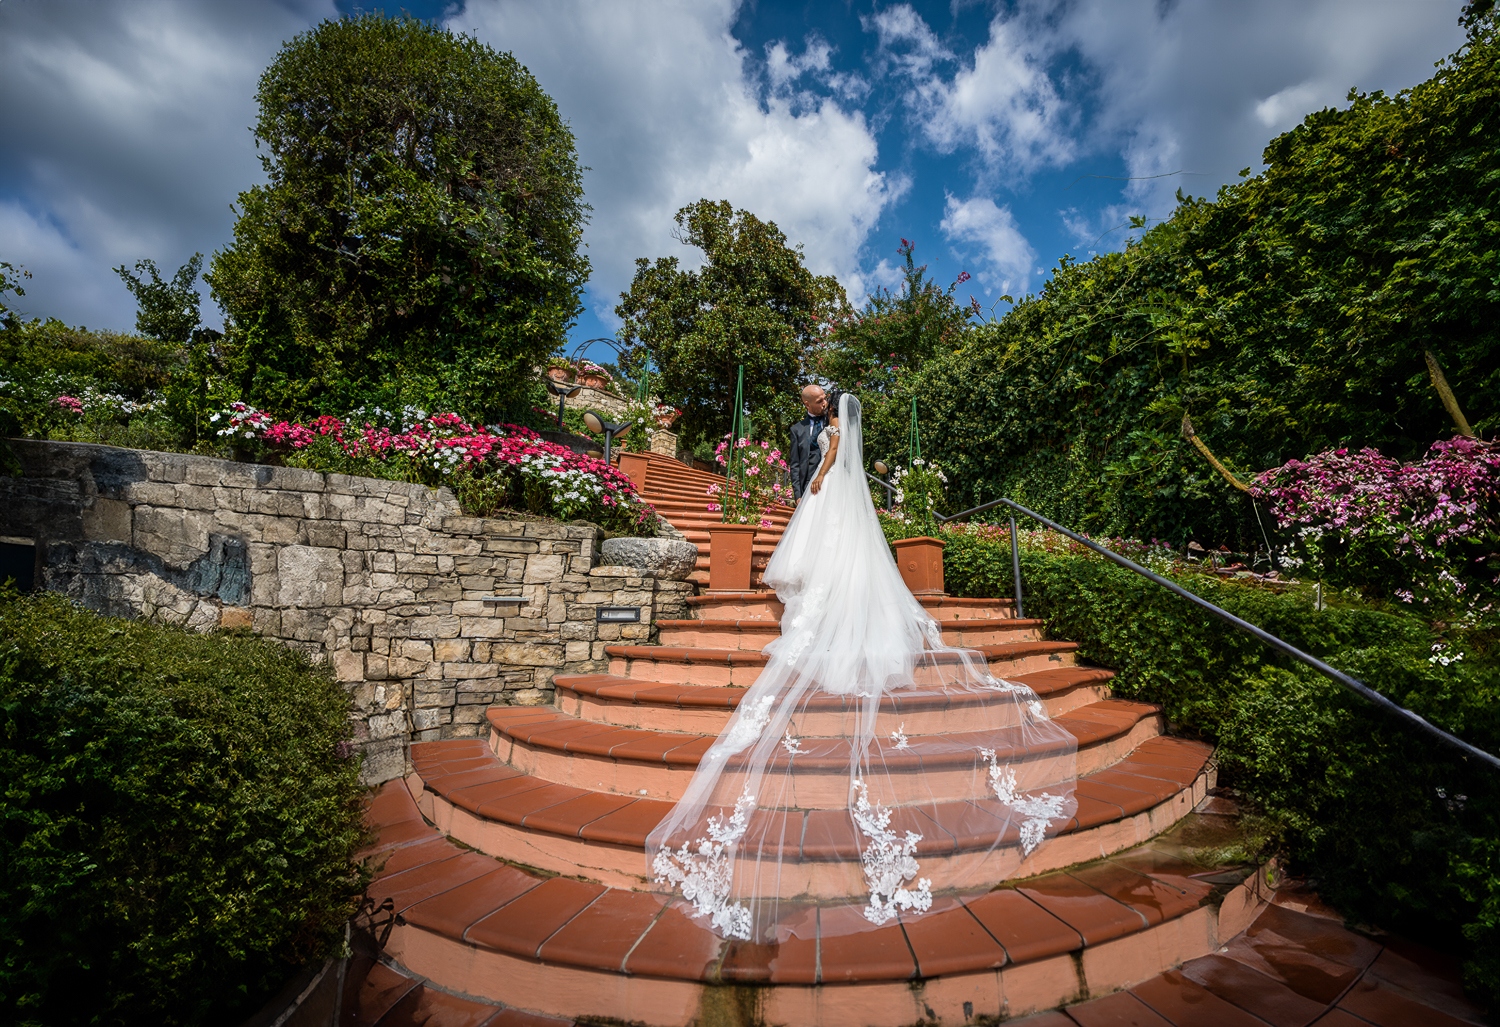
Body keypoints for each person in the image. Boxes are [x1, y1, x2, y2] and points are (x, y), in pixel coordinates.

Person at [647, 392, 1079, 943]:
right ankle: (828, 595)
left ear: (834, 409)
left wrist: (820, 477)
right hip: (840, 496)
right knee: (843, 550)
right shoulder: (840, 435)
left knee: (828, 549)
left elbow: (828, 457)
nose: (824, 409)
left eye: (825, 403)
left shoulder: (835, 436)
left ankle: (821, 598)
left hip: (829, 489)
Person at [786, 384, 829, 501]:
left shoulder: (833, 423)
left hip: (831, 481)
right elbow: (795, 464)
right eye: (819, 401)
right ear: (807, 404)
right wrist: (798, 495)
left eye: (825, 398)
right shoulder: (796, 430)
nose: (824, 403)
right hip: (808, 487)